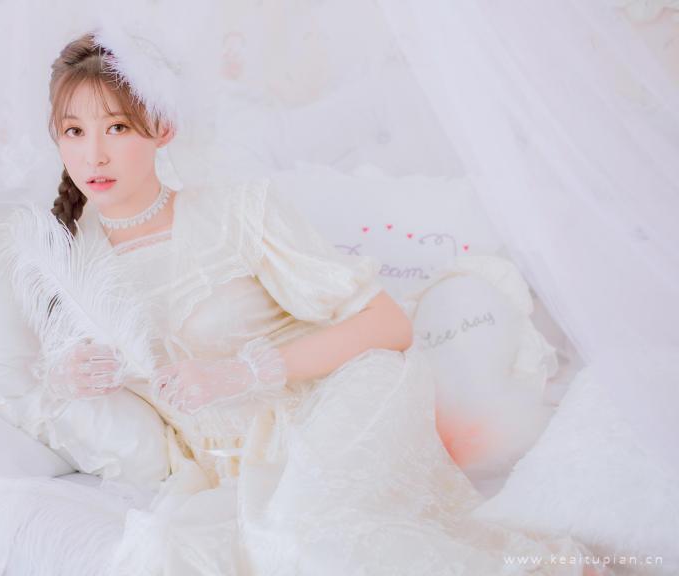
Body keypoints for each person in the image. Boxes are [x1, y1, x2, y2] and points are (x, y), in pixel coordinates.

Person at [44, 31, 603, 576]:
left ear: (162, 128)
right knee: (190, 548)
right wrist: (71, 376)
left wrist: (243, 371)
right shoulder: (67, 262)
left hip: (339, 398)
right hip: (239, 461)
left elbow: (388, 324)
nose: (94, 154)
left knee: (299, 535)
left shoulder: (238, 212)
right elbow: (81, 405)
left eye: (117, 127)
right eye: (74, 131)